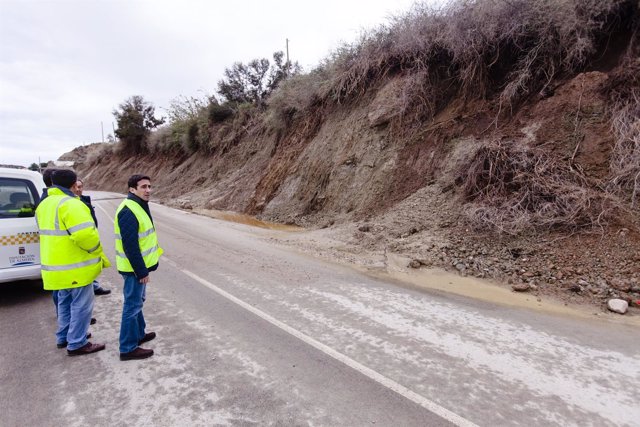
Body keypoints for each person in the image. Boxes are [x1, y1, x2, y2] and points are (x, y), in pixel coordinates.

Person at [36, 169, 110, 355]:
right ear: (73, 183)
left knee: (64, 302)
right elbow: (85, 235)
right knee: (82, 305)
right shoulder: (71, 204)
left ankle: (63, 336)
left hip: (54, 266)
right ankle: (77, 342)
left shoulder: (44, 204)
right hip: (75, 266)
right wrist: (95, 251)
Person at [115, 174, 163, 361]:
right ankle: (127, 348)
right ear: (132, 189)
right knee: (132, 305)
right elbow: (130, 245)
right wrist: (141, 270)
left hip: (137, 267)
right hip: (133, 268)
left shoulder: (138, 205)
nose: (148, 190)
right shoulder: (128, 210)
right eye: (143, 187)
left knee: (137, 303)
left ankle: (139, 334)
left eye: (149, 186)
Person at [74, 178, 111, 296]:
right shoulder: (72, 203)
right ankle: (92, 286)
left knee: (89, 265)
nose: (78, 190)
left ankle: (94, 285)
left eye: (81, 187)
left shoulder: (84, 200)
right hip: (82, 240)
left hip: (91, 235)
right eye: (76, 187)